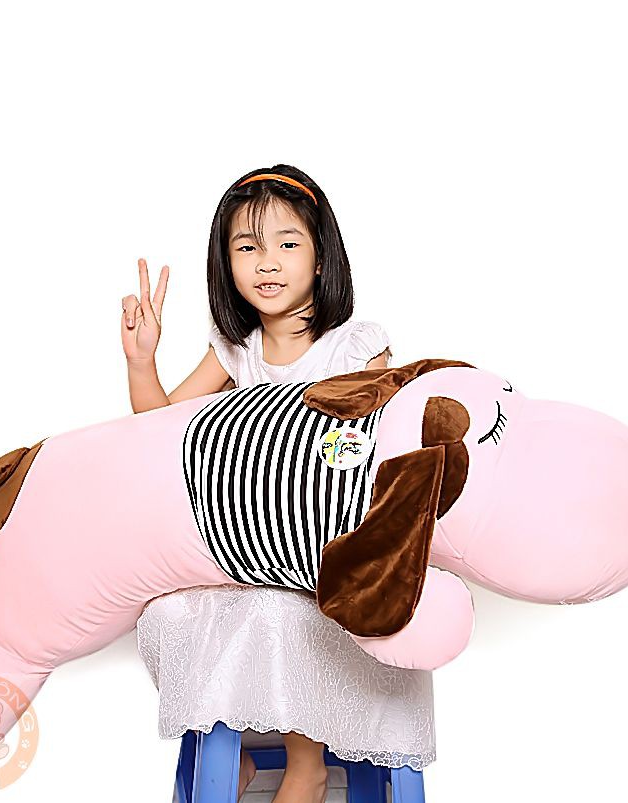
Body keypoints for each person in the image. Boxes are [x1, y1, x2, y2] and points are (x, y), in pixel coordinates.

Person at [121, 166, 423, 803]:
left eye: (288, 243)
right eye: (247, 246)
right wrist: (141, 360)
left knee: (282, 609)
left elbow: (379, 448)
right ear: (224, 261)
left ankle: (304, 763)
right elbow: (159, 434)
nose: (267, 262)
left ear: (321, 256)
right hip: (246, 548)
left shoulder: (354, 346)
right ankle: (226, 746)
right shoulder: (237, 349)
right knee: (166, 611)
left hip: (326, 548)